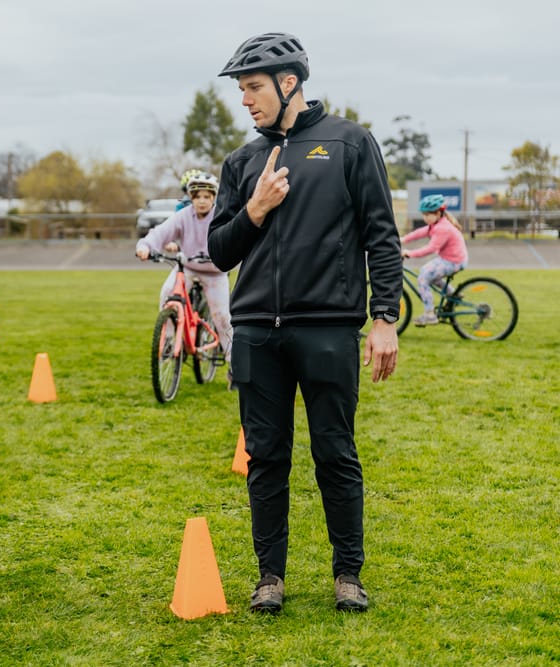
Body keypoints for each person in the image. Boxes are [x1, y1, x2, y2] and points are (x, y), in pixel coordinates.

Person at [206, 32, 402, 614]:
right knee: (266, 457)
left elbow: (381, 236)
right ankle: (270, 577)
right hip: (258, 334)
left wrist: (384, 318)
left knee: (335, 453)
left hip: (328, 329)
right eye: (241, 91)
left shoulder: (349, 143)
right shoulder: (242, 162)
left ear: (289, 83)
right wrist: (256, 208)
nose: (245, 101)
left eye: (253, 88)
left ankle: (348, 575)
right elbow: (219, 251)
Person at [136, 172, 233, 365]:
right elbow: (161, 232)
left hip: (215, 272)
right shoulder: (183, 216)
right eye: (197, 197)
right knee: (167, 294)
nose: (202, 201)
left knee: (222, 317)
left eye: (207, 196)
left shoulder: (221, 216)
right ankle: (170, 341)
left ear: (214, 197)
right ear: (191, 198)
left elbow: (235, 237)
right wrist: (145, 246)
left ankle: (234, 365)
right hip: (188, 268)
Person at [401, 194, 468, 325]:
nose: (425, 218)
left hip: (453, 261)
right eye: (423, 214)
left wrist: (409, 253)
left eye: (427, 215)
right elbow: (420, 232)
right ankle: (453, 295)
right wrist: (403, 239)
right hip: (452, 259)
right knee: (429, 274)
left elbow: (430, 248)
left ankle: (430, 314)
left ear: (438, 213)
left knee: (423, 277)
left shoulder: (443, 228)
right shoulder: (436, 224)